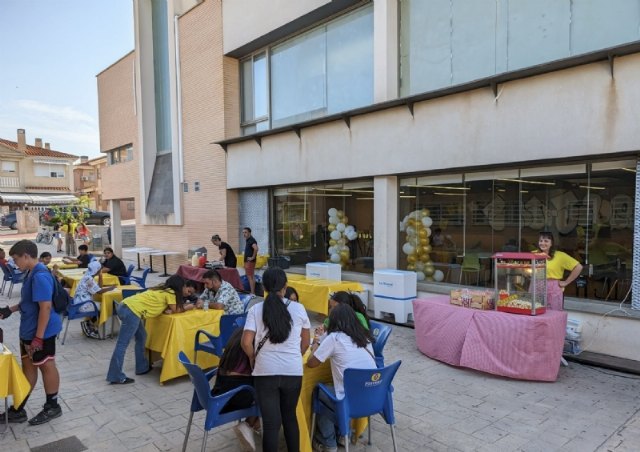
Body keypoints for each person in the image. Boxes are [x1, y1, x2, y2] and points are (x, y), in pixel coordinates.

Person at [241, 268, 310, 452]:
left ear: (263, 286)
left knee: (271, 424)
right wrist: (295, 357)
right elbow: (306, 342)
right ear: (285, 286)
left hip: (265, 372)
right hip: (293, 372)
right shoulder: (299, 308)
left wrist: (253, 357)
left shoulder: (255, 309)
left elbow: (246, 342)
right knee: (290, 418)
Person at [0, 240, 63, 425]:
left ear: (27, 256)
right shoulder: (30, 273)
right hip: (29, 330)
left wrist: (38, 338)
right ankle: (18, 409)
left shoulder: (40, 275)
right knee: (28, 368)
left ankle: (53, 406)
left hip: (41, 332)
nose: (14, 263)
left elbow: (45, 308)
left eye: (16, 259)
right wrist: (10, 310)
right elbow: (30, 303)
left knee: (46, 365)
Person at [307, 304, 376, 452]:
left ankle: (328, 442)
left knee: (319, 393)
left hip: (350, 401)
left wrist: (316, 342)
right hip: (373, 398)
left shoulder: (334, 339)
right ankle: (342, 434)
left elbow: (312, 363)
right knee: (341, 389)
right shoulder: (364, 336)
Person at [106, 275, 195, 384]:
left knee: (142, 336)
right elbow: (176, 310)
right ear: (179, 286)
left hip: (126, 305)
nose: (185, 289)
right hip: (132, 311)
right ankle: (115, 375)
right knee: (122, 344)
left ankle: (141, 367)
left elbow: (161, 305)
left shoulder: (162, 289)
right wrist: (188, 307)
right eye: (185, 286)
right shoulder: (171, 293)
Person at [212, 328, 260, 451]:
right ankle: (250, 423)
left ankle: (253, 424)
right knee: (272, 389)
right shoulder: (257, 339)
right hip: (235, 396)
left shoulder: (240, 332)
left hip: (219, 390)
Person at [537, 231, 583, 311]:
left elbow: (578, 267)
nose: (542, 243)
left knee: (553, 313)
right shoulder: (533, 254)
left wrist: (566, 282)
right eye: (541, 241)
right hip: (536, 286)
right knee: (536, 311)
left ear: (552, 243)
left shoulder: (560, 256)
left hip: (553, 288)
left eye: (546, 241)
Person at [73, 260, 117, 339]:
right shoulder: (89, 279)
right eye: (100, 269)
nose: (101, 270)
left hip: (80, 302)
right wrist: (111, 288)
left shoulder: (88, 276)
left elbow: (99, 287)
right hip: (82, 305)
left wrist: (100, 275)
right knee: (105, 306)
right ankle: (96, 328)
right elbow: (99, 291)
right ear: (96, 270)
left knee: (101, 305)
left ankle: (89, 325)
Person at [243, 227, 259, 295]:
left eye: (245, 232)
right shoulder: (248, 240)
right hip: (248, 261)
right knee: (251, 276)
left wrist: (252, 257)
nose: (244, 234)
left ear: (249, 233)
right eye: (243, 233)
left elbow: (256, 248)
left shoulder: (251, 240)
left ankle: (252, 292)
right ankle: (253, 292)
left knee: (250, 277)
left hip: (250, 261)